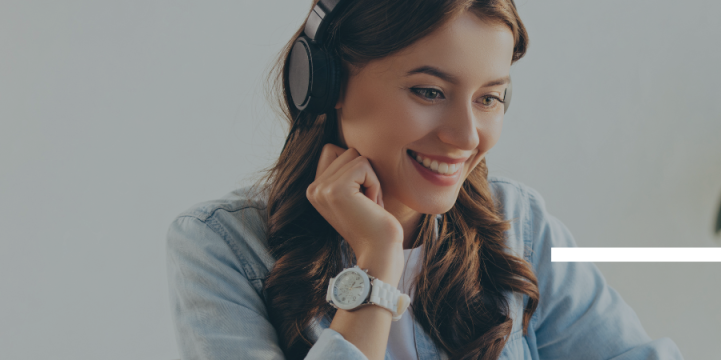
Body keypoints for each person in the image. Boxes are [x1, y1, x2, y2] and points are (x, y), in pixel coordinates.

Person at [164, 0, 685, 359]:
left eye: (489, 98)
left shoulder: (519, 224)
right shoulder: (222, 247)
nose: (465, 136)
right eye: (430, 92)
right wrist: (376, 260)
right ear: (327, 85)